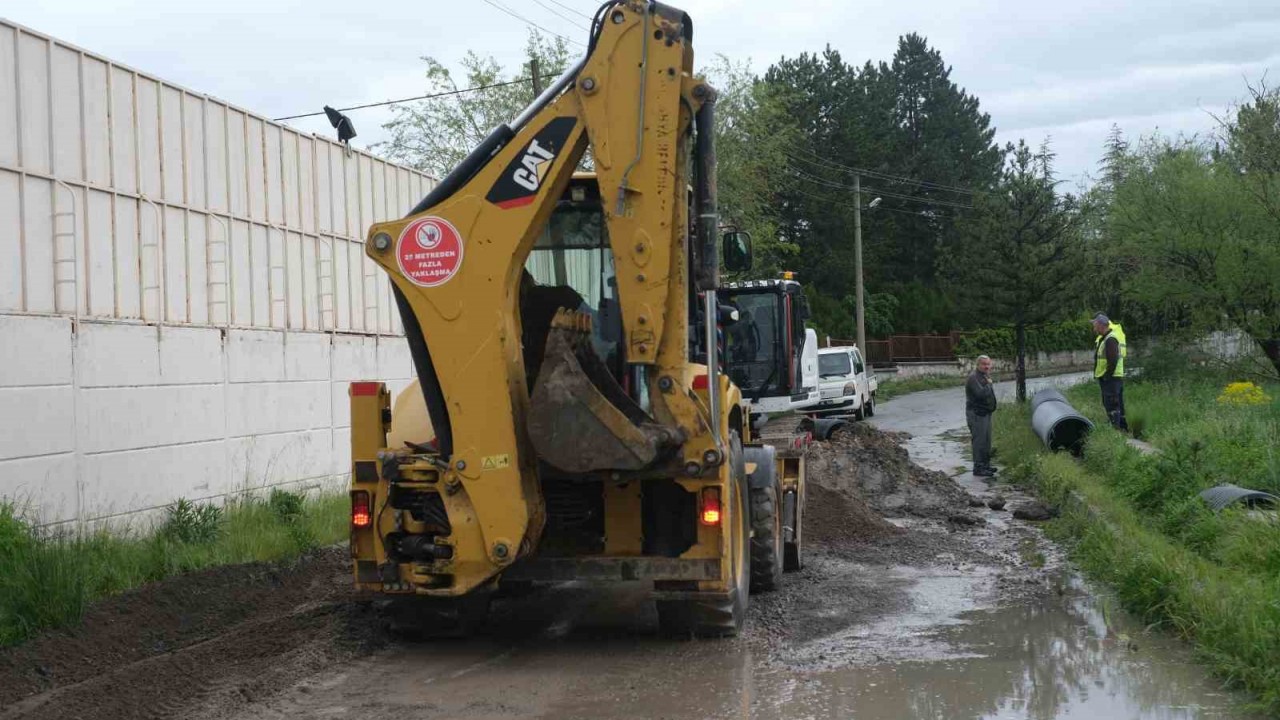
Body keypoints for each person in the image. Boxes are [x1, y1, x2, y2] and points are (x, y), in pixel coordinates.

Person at [1092, 313, 1129, 431]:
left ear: (1101, 325)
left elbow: (1112, 360)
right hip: (1113, 378)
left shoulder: (1110, 339)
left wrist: (1107, 376)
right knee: (1118, 404)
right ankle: (1123, 428)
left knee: (1112, 404)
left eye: (1095, 325)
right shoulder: (1106, 338)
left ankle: (1116, 430)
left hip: (1111, 378)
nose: (1094, 328)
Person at [965, 355, 998, 476]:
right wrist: (989, 385)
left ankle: (986, 465)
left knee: (986, 440)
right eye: (984, 364)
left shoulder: (984, 376)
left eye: (988, 364)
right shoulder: (974, 378)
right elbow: (980, 394)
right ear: (978, 365)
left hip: (985, 413)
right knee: (979, 441)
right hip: (976, 414)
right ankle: (978, 468)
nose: (987, 366)